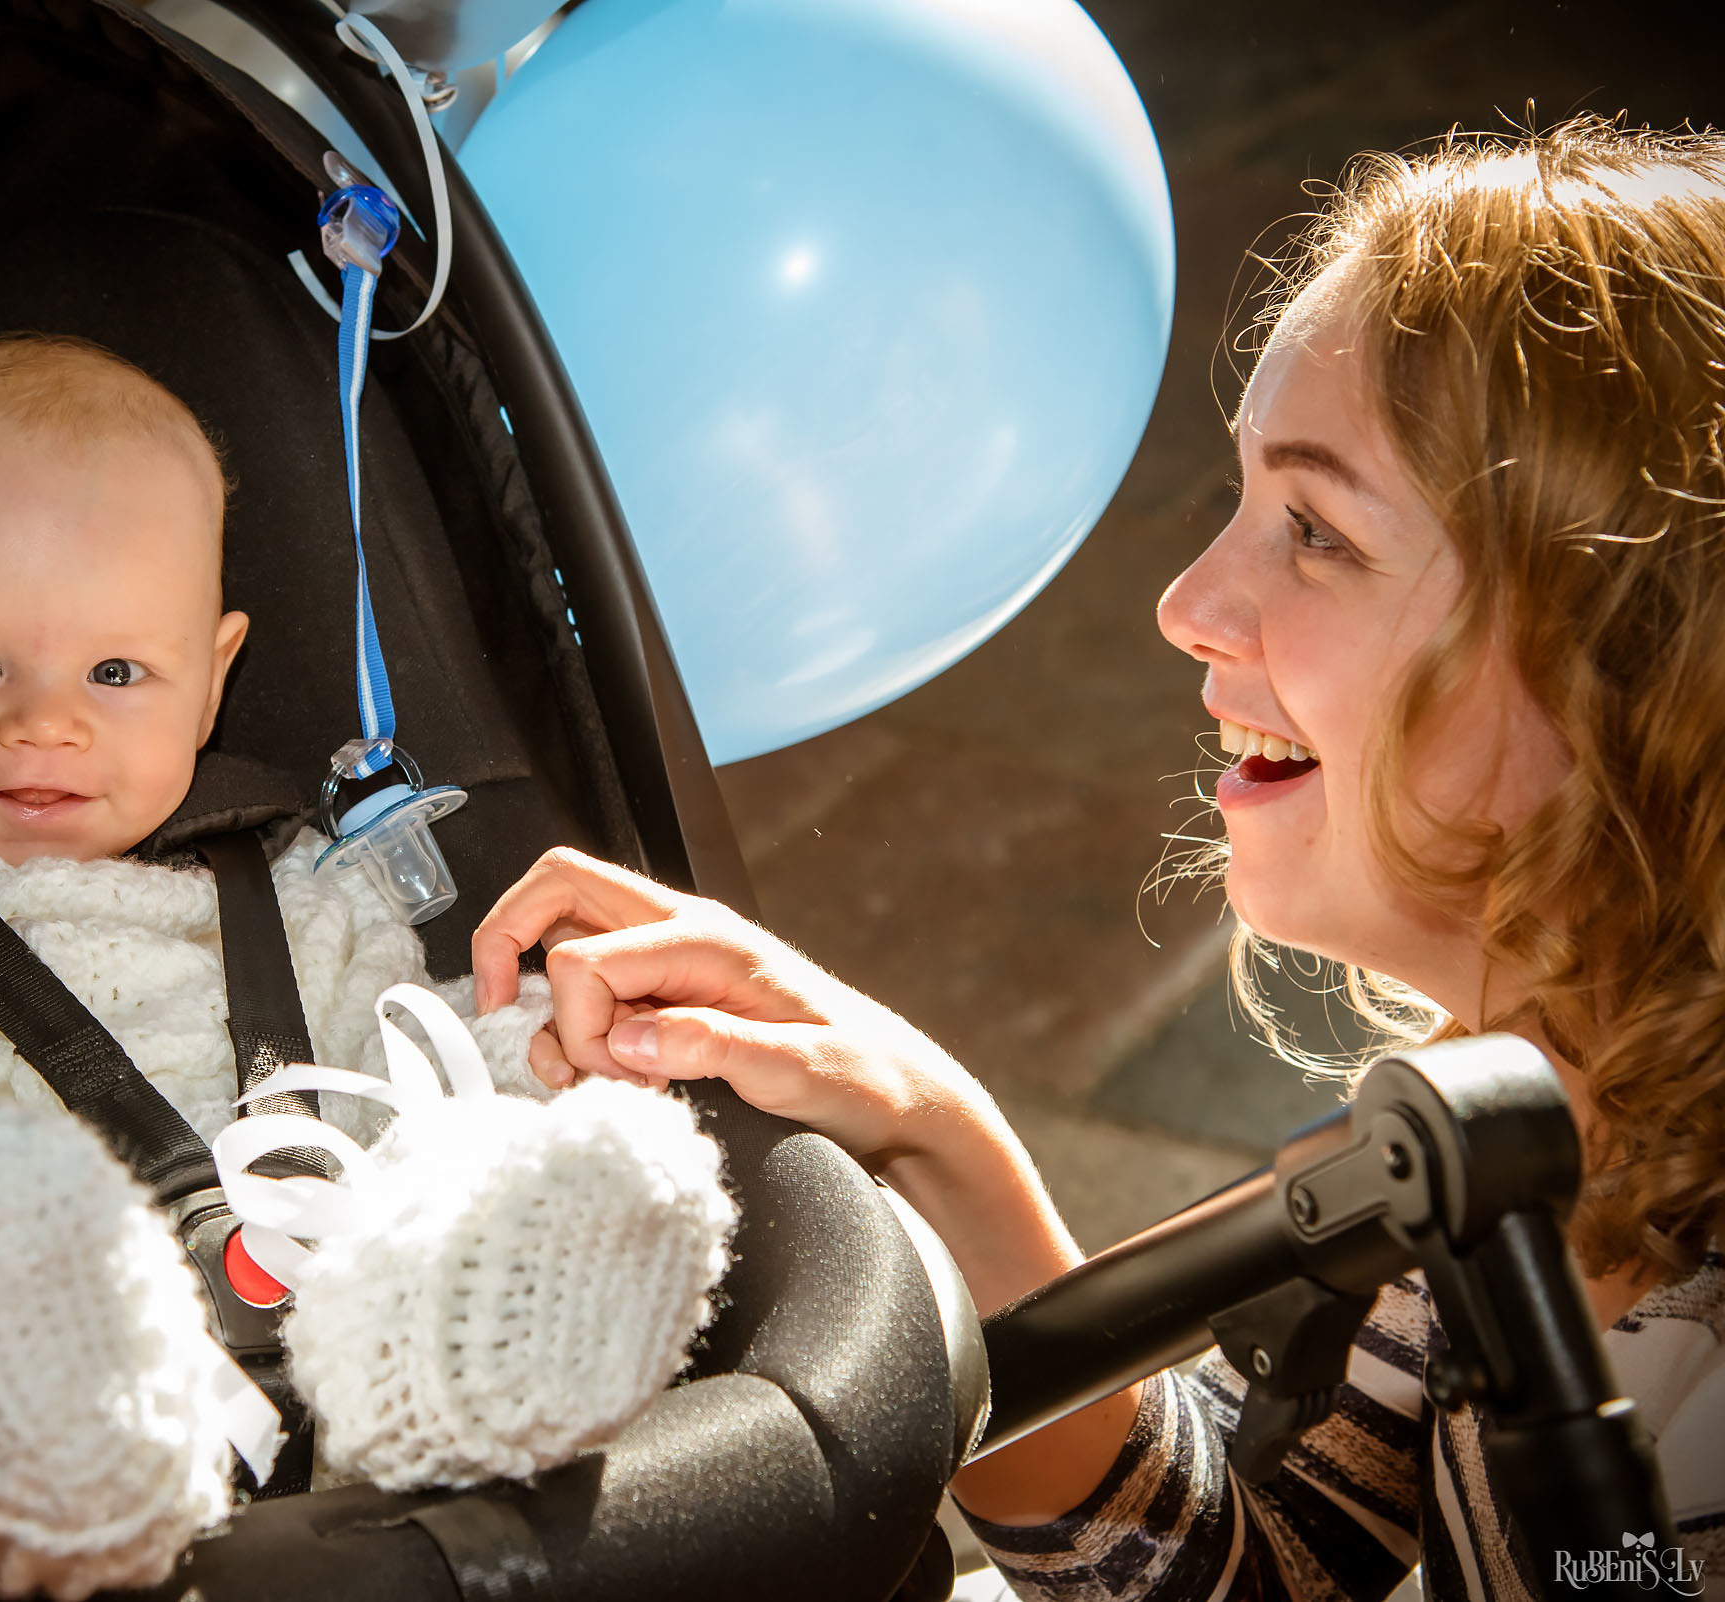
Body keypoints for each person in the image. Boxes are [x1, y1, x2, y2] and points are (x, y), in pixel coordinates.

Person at [474, 117, 1725, 1600]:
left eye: (1317, 529)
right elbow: (1271, 1570)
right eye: (1241, 504)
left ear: (1627, 656)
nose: (1188, 600)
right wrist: (929, 1129)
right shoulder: (1534, 1089)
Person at [0, 334, 733, 1599]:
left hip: (321, 1308)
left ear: (212, 682)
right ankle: (67, 1443)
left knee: (474, 1157)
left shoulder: (290, 885)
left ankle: (503, 1341)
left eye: (118, 672)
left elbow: (396, 1048)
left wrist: (536, 1056)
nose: (44, 722)